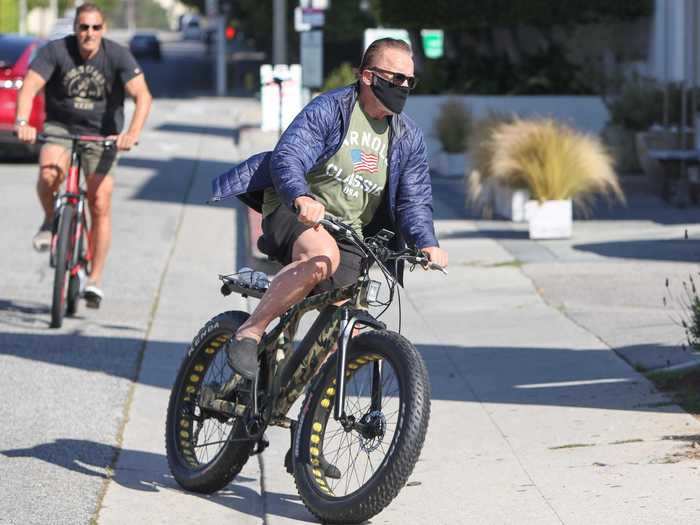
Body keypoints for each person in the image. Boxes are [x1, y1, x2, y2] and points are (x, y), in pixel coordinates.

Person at [211, 38, 448, 379]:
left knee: (343, 331)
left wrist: (427, 242)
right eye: (397, 78)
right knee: (323, 258)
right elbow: (289, 156)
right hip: (295, 210)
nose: (404, 87)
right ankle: (250, 331)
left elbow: (414, 199)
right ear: (369, 76)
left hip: (350, 232)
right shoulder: (332, 109)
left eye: (410, 80)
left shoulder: (407, 137)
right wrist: (301, 196)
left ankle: (303, 405)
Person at [15, 2, 152, 308]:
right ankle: (51, 220)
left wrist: (131, 134)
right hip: (61, 127)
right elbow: (30, 86)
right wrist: (22, 122)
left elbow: (143, 95)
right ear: (75, 29)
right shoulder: (56, 51)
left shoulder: (116, 55)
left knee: (100, 202)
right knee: (49, 174)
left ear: (102, 29)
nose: (89, 34)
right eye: (83, 27)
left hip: (103, 135)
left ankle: (94, 280)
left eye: (95, 28)